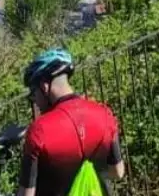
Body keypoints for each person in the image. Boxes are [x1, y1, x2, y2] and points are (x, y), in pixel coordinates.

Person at [19, 49, 125, 196]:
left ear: (44, 86)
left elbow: (27, 194)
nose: (35, 100)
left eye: (33, 92)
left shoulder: (39, 130)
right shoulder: (104, 114)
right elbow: (118, 172)